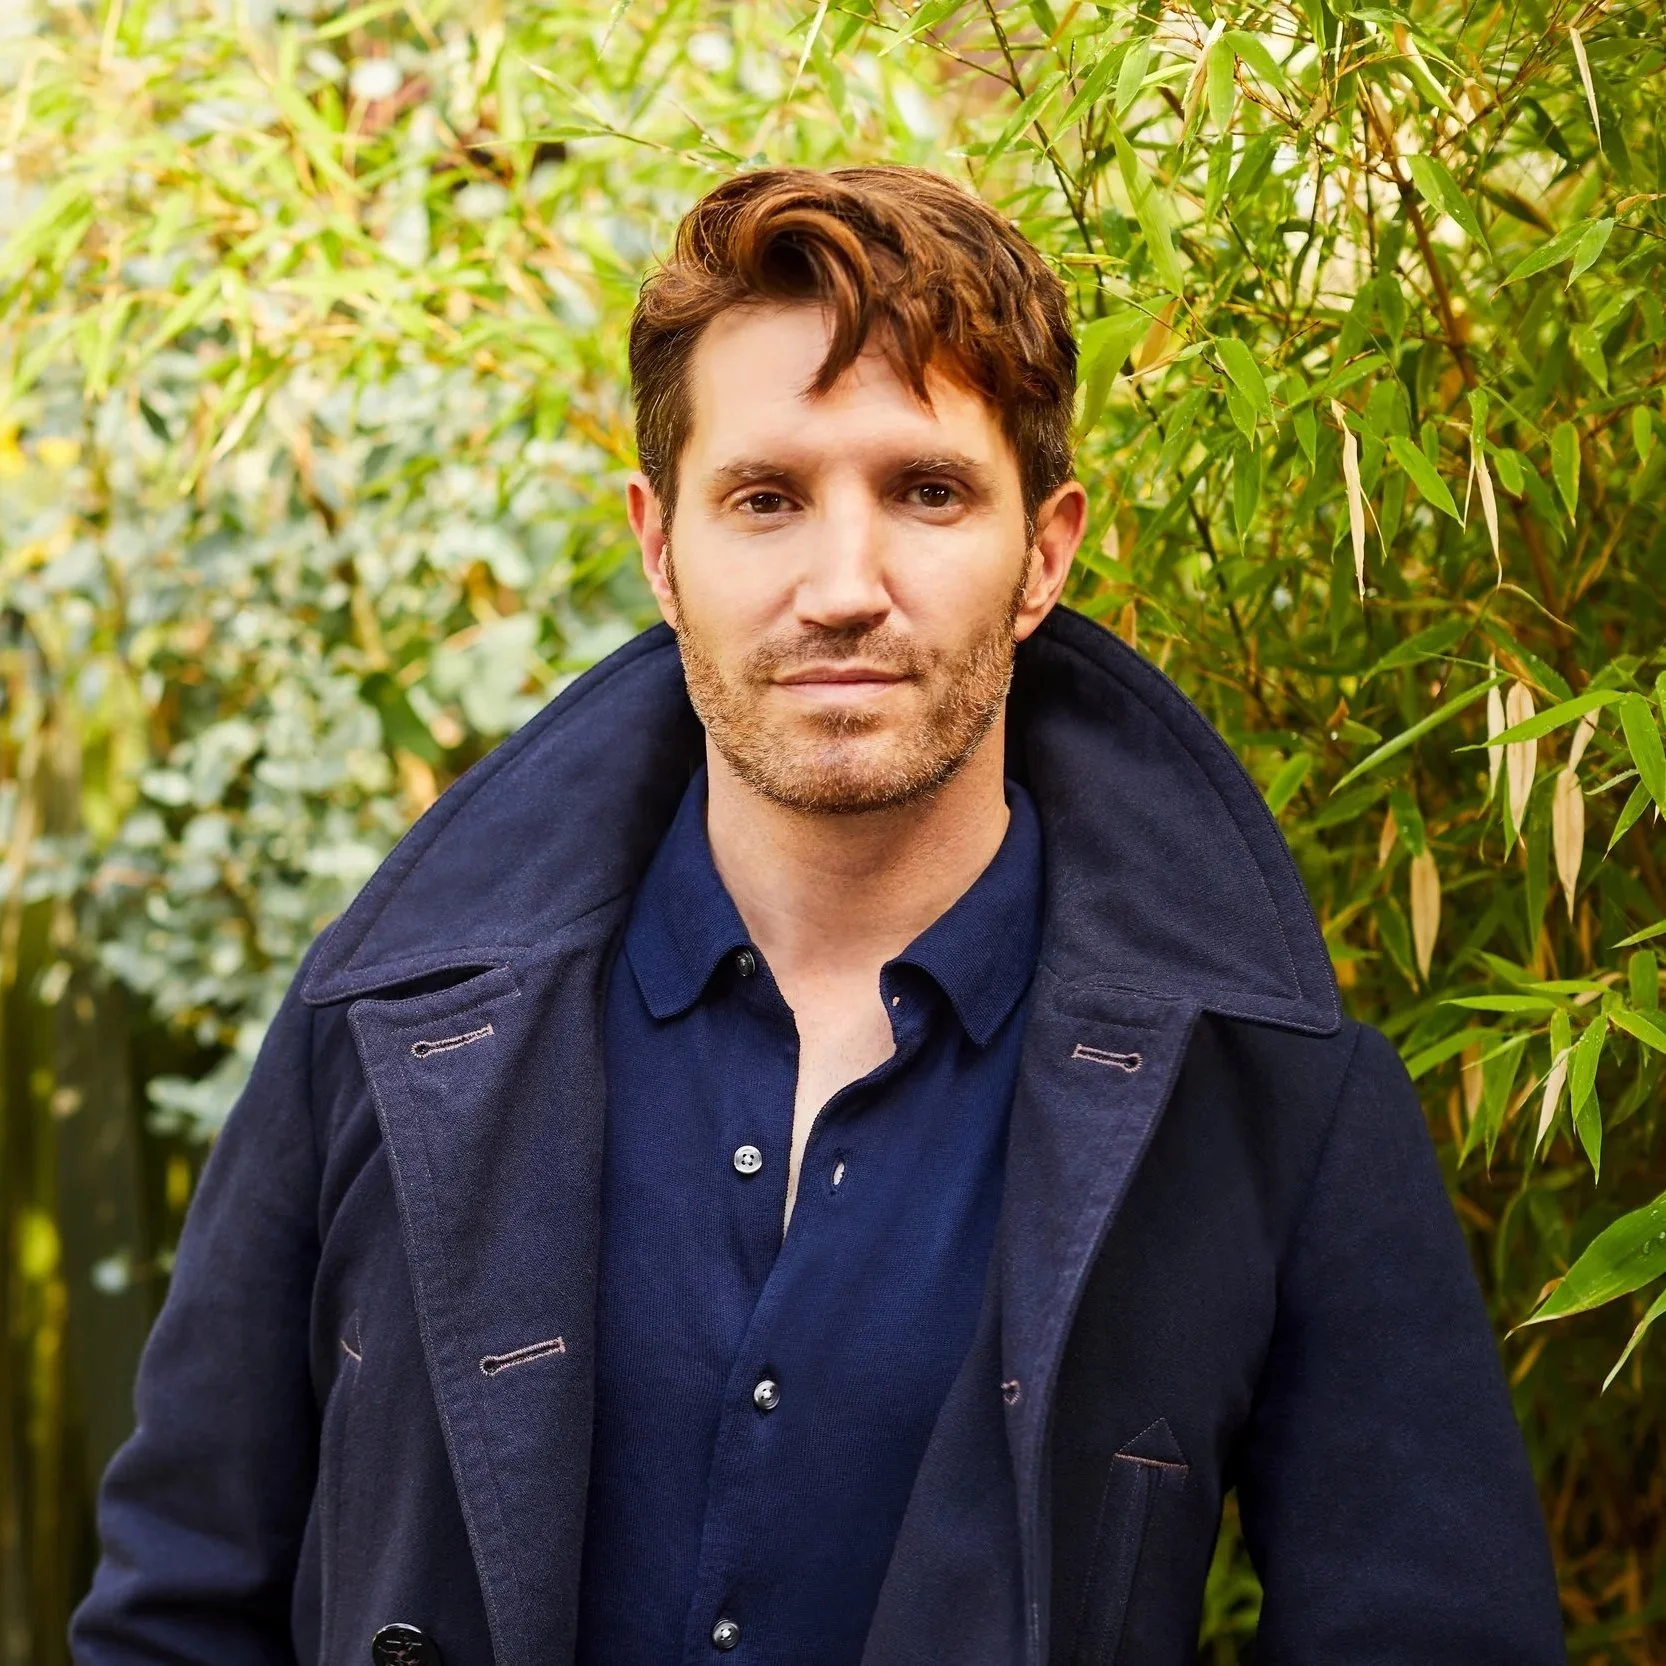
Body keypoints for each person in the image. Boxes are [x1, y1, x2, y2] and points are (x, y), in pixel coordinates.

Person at [72, 166, 1566, 1666]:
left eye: (924, 490)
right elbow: (177, 1609)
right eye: (767, 497)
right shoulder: (388, 1030)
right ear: (660, 548)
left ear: (1043, 552)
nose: (843, 586)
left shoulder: (1265, 1093)